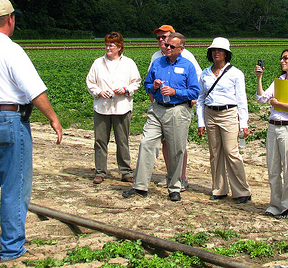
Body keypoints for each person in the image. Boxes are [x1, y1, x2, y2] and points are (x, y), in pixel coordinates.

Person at [0, 0, 63, 262]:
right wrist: (53, 117)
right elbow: (34, 90)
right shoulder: (11, 50)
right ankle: (11, 248)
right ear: (10, 19)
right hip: (8, 120)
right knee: (14, 185)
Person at [123, 33, 199, 202]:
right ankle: (140, 186)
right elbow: (147, 85)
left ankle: (174, 187)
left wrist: (175, 92)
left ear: (181, 49)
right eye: (166, 45)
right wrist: (154, 86)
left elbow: (195, 91)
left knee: (176, 150)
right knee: (146, 143)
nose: (167, 48)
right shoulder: (157, 63)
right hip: (157, 109)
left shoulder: (188, 66)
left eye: (172, 46)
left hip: (178, 110)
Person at [255, 49, 288, 218]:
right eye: (282, 58)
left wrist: (278, 104)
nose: (282, 61)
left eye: (286, 58)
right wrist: (259, 78)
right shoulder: (279, 81)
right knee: (273, 168)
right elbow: (261, 99)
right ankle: (275, 204)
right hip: (273, 127)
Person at [197, 38, 251, 204]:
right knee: (215, 152)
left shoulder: (236, 73)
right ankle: (219, 189)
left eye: (220, 50)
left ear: (227, 54)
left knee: (231, 152)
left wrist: (244, 124)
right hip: (210, 113)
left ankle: (242, 190)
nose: (216, 53)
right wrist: (201, 122)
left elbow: (242, 100)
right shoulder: (205, 73)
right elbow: (201, 98)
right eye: (214, 50)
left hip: (229, 113)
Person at [149, 25, 202, 191]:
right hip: (160, 105)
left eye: (165, 37)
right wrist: (153, 92)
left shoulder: (186, 57)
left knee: (177, 144)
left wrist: (191, 98)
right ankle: (170, 175)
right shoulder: (156, 57)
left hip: (179, 105)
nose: (162, 41)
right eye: (159, 38)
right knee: (165, 142)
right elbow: (150, 80)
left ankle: (181, 176)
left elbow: (198, 78)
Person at [86, 32, 141, 185]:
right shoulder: (97, 63)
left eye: (111, 45)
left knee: (122, 140)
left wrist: (126, 89)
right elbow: (90, 82)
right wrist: (99, 92)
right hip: (101, 108)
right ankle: (100, 172)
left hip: (122, 107)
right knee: (100, 140)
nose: (108, 48)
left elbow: (136, 82)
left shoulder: (129, 63)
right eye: (106, 45)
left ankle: (125, 171)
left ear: (119, 47)